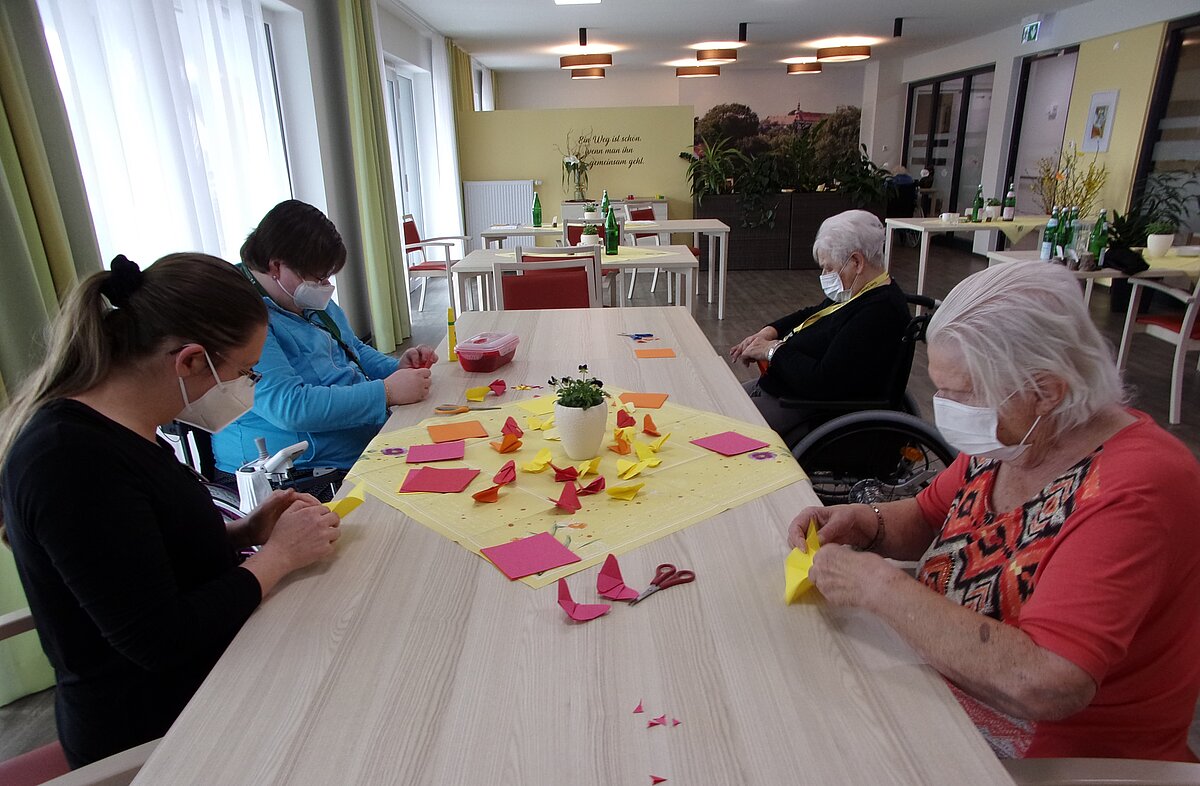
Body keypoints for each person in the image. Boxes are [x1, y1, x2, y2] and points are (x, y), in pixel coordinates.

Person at [788, 261, 1200, 761]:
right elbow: (927, 516)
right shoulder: (1014, 439)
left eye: (962, 393)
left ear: (1046, 390)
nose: (945, 406)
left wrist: (881, 589)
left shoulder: (1140, 487)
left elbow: (1048, 683)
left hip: (1058, 760)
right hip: (944, 697)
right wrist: (867, 524)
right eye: (940, 387)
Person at [0, 254, 342, 767]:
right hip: (158, 730)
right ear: (188, 361)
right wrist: (277, 559)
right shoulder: (69, 460)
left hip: (211, 675)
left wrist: (243, 531)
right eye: (244, 371)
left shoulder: (128, 425)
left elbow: (143, 557)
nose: (247, 385)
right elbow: (159, 639)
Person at [212, 200, 437, 493]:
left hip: (357, 441)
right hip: (297, 474)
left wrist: (395, 368)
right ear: (276, 266)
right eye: (317, 277)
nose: (324, 285)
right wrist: (387, 391)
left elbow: (350, 348)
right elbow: (290, 407)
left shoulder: (299, 293)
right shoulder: (241, 317)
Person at [730, 209, 910, 441]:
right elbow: (815, 313)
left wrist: (772, 350)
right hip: (786, 391)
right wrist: (767, 333)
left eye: (829, 268)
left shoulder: (879, 312)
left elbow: (822, 380)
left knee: (717, 428)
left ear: (856, 261)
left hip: (811, 411)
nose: (825, 275)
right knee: (713, 406)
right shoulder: (859, 293)